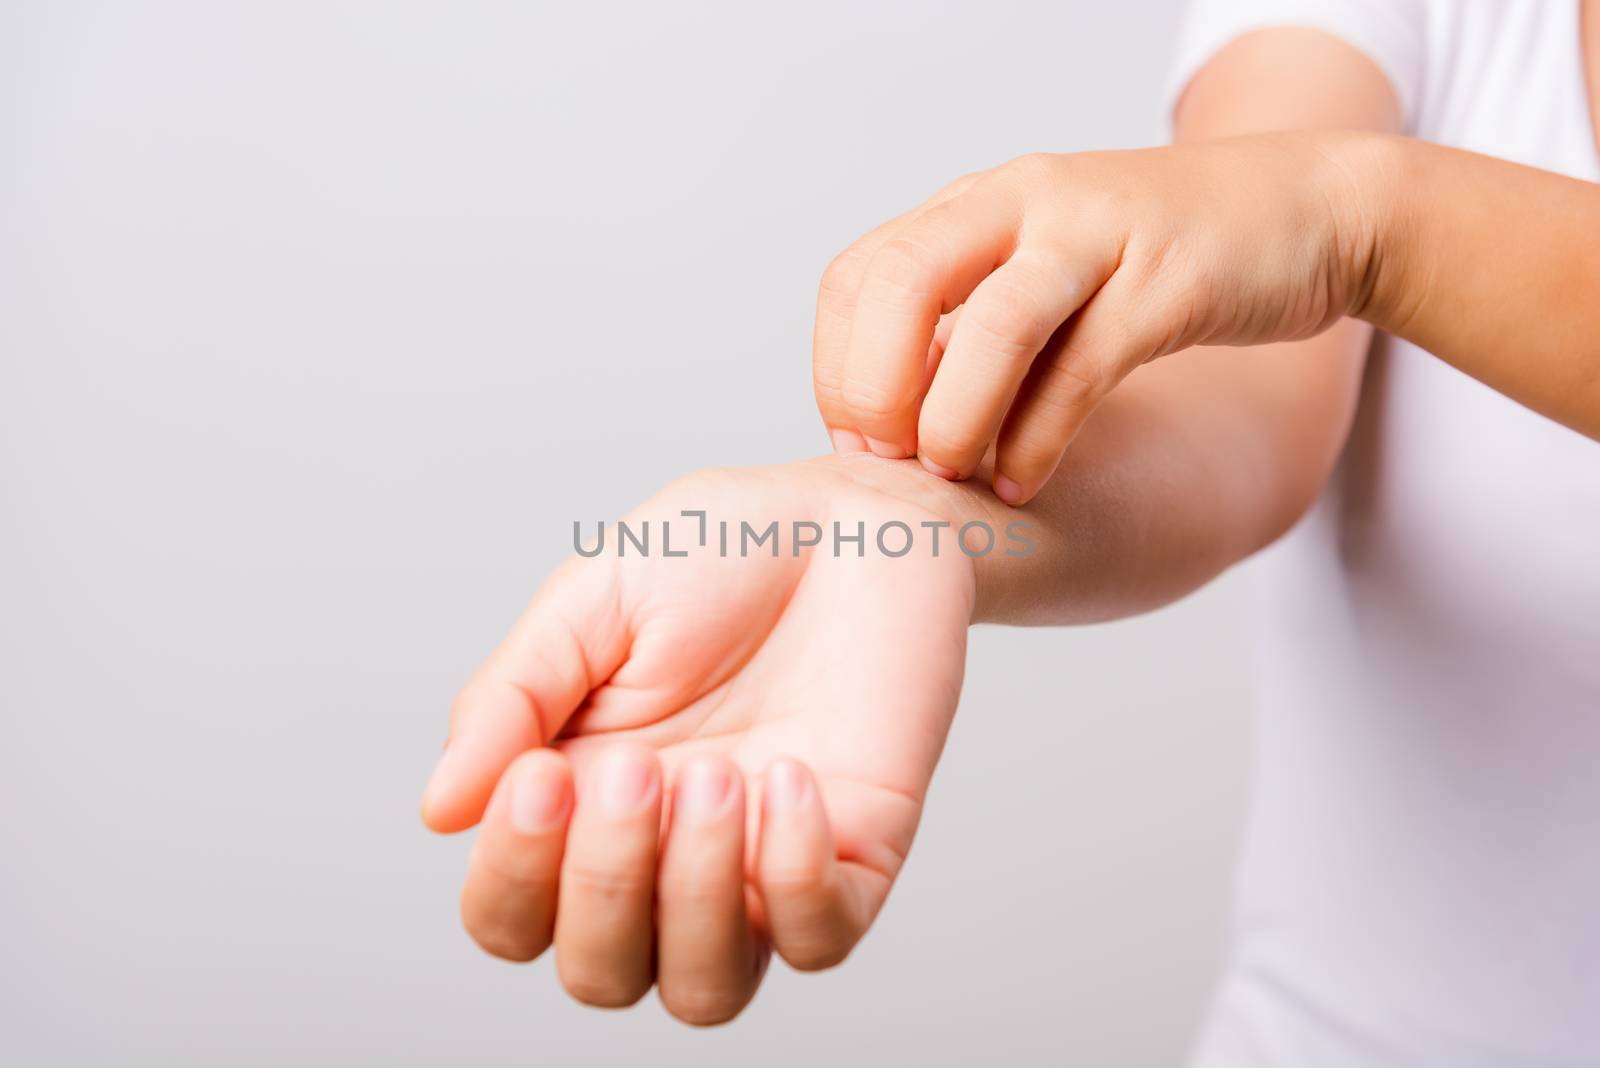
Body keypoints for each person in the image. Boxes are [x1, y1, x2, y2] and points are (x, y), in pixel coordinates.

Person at [421, 1, 1600, 1061]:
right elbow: (1237, 407)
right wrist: (890, 527)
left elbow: (1319, 227)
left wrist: (1364, 217)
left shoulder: (1363, 205)